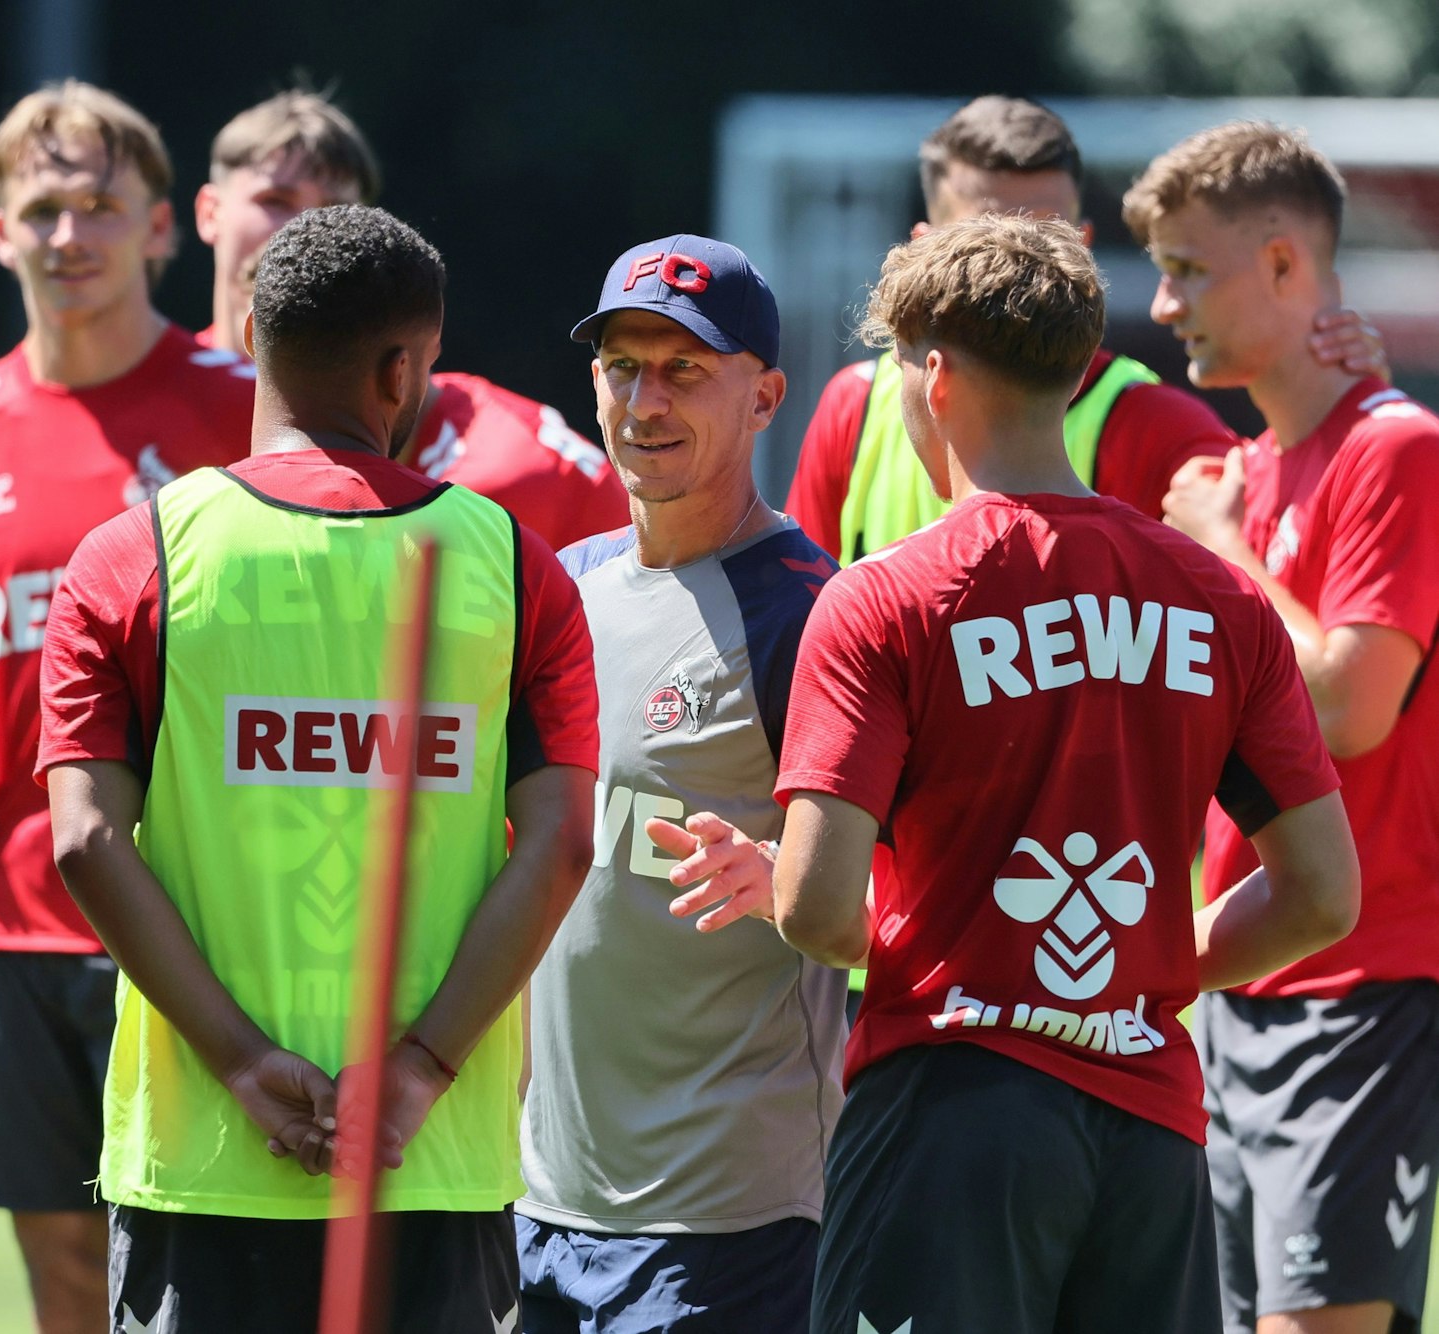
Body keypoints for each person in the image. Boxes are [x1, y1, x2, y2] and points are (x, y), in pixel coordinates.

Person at [772, 214, 1361, 1334]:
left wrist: (967, 958)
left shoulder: (884, 598)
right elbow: (1323, 894)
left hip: (952, 1111)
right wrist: (1134, 974)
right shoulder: (1220, 599)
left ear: (934, 379)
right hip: (1152, 1132)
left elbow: (814, 907)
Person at [39, 203, 597, 1333]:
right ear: (402, 371)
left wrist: (244, 1061)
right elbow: (563, 843)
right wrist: (422, 1066)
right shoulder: (513, 564)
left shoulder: (135, 553)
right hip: (429, 1163)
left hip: (204, 1158)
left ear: (251, 335)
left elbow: (85, 838)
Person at [0, 81, 257, 1334]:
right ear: (0, 230)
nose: (69, 233)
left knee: (204, 1248)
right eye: (41, 207)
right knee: (58, 1253)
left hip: (197, 906)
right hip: (12, 913)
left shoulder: (240, 404)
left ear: (160, 226)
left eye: (100, 204)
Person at [1131, 122, 1439, 1334]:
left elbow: (1349, 710)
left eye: (1188, 270)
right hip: (1234, 981)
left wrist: (1220, 552)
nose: (1163, 304)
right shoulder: (1241, 474)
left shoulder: (1397, 448)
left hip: (1363, 991)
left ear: (1281, 264)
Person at [515, 235, 847, 1333]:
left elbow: (921, 879)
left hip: (731, 1218)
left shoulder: (811, 612)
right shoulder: (560, 590)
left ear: (766, 398)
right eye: (623, 366)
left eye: (686, 369)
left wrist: (789, 876)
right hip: (540, 1203)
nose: (646, 400)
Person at [785, 94, 1385, 563]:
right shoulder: (854, 407)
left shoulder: (1153, 424)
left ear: (1084, 250)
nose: (1020, 268)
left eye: (1047, 238)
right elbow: (802, 634)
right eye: (986, 241)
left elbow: (1285, 575)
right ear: (925, 249)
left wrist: (1346, 413)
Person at [193, 88, 630, 551]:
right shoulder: (148, 400)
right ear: (209, 213)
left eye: (332, 211)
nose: (305, 231)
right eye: (276, 200)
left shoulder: (529, 468)